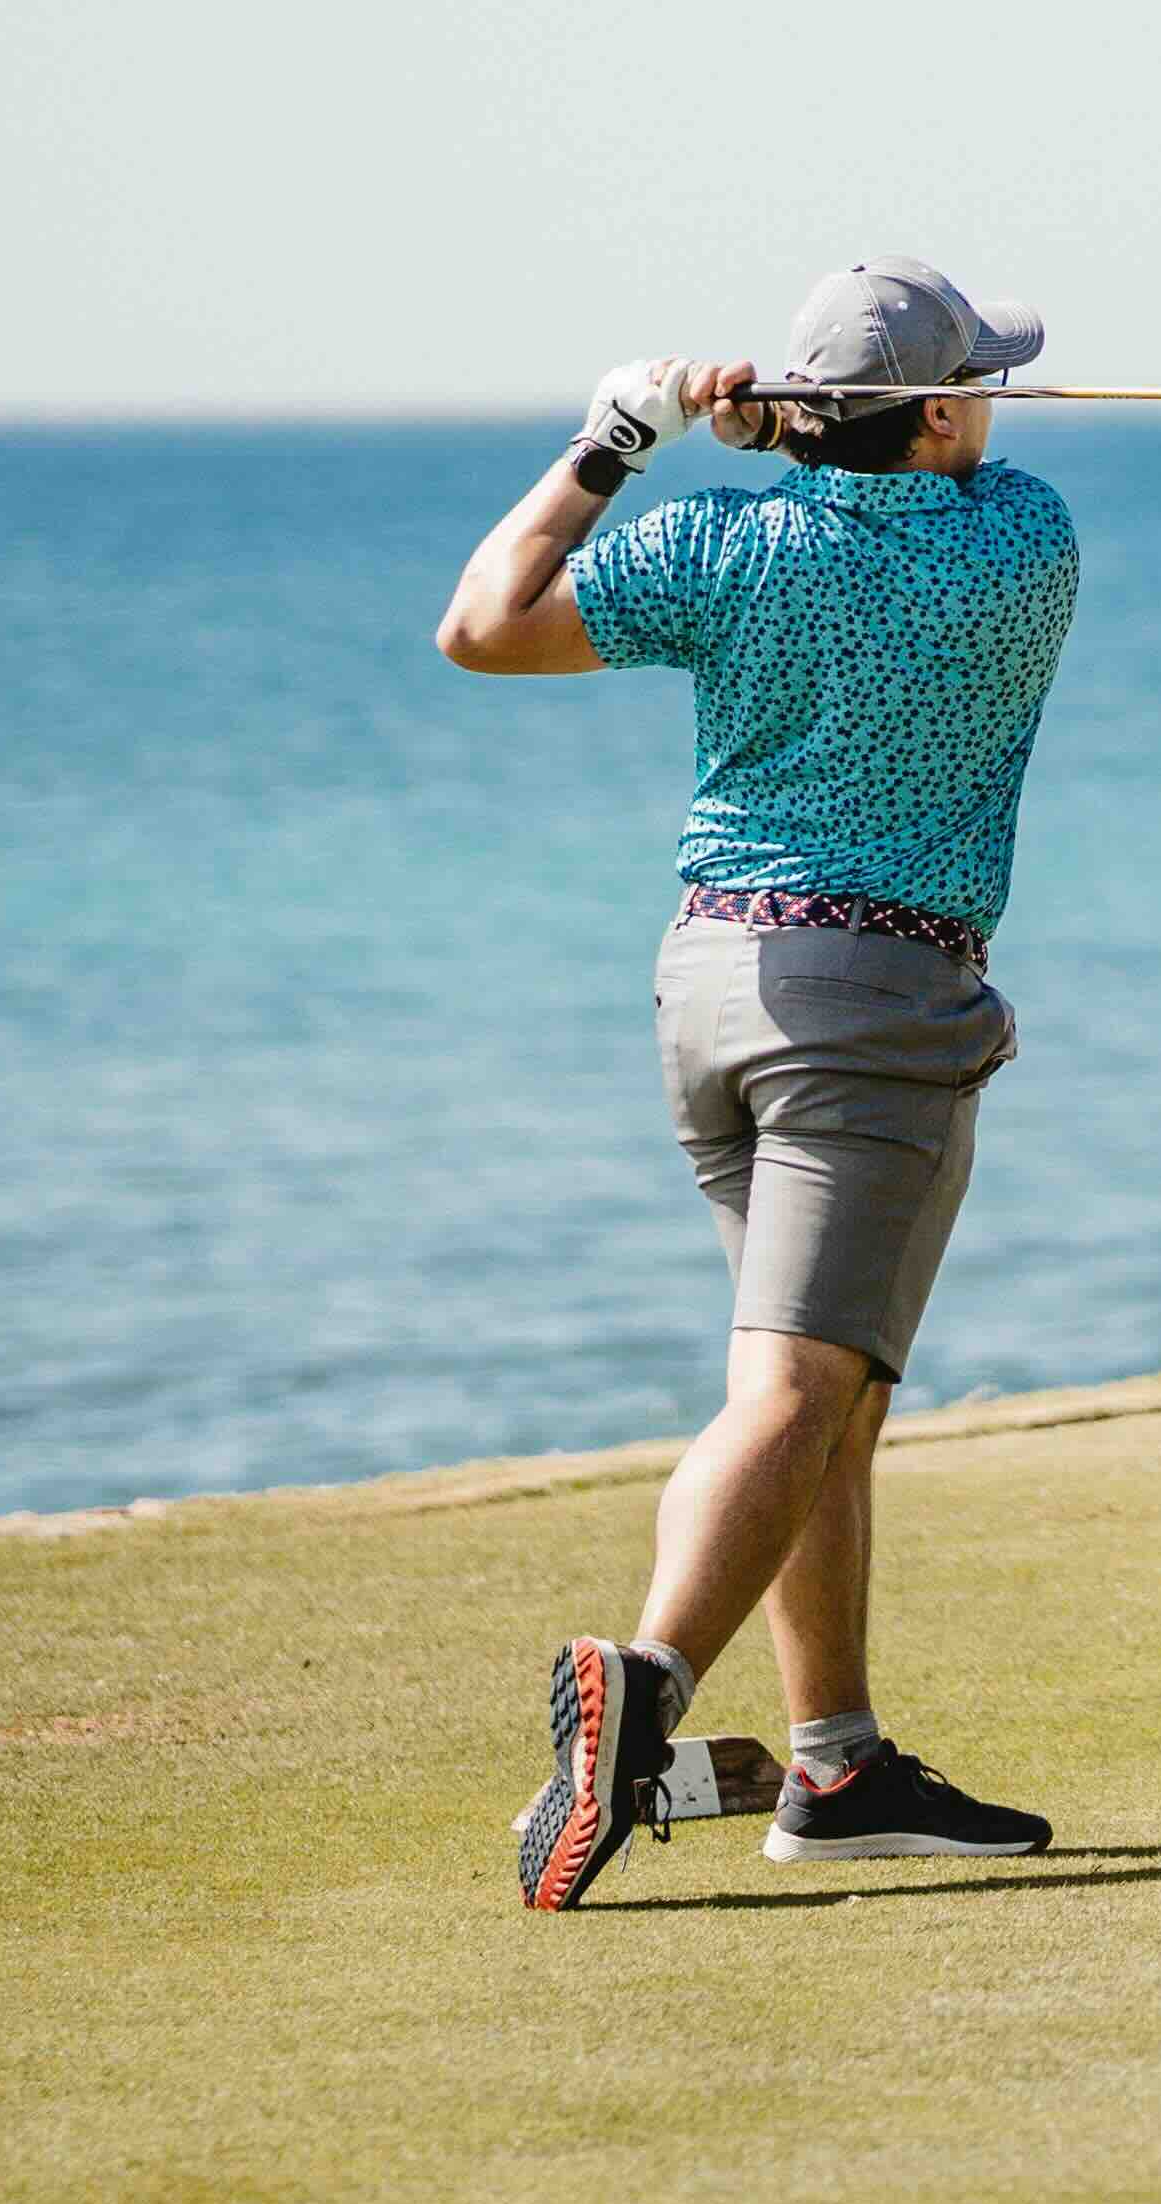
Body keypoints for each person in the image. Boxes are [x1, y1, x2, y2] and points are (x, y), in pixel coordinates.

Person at [437, 256, 1083, 1908]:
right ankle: (645, 1690)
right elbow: (926, 484)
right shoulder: (1021, 544)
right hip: (872, 1006)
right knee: (797, 1397)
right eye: (980, 386)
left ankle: (839, 1764)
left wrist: (621, 436)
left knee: (830, 1400)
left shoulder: (720, 544)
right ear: (938, 414)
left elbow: (484, 626)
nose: (1002, 404)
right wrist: (805, 442)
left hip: (711, 993)